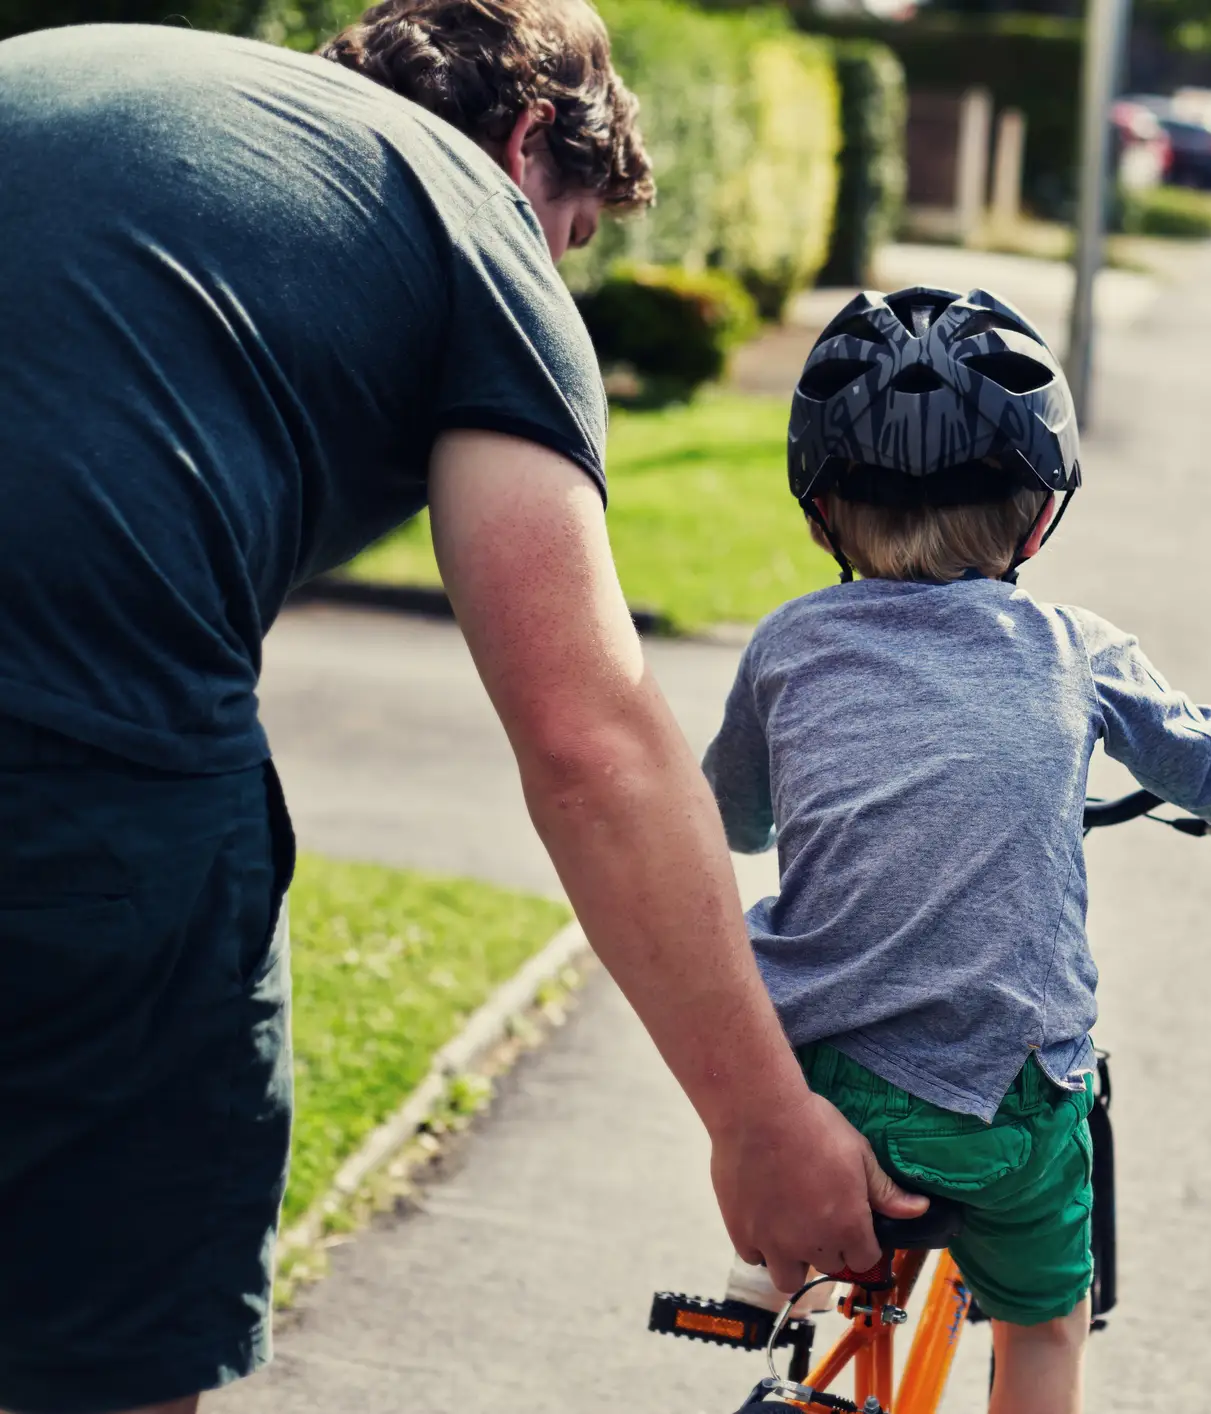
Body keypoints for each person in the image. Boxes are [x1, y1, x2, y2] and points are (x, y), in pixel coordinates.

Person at [0, 6, 919, 1412]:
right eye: (573, 236)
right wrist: (762, 1123)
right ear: (531, 139)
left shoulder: (132, 83)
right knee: (110, 1339)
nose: (556, 277)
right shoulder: (467, 220)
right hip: (70, 779)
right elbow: (588, 738)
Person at [703, 286, 1211, 1414]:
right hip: (1004, 1116)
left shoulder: (786, 649)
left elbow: (729, 819)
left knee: (767, 1083)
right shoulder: (1072, 650)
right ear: (1039, 517)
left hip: (821, 1098)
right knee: (1044, 1322)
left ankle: (778, 1265)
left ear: (821, 506)